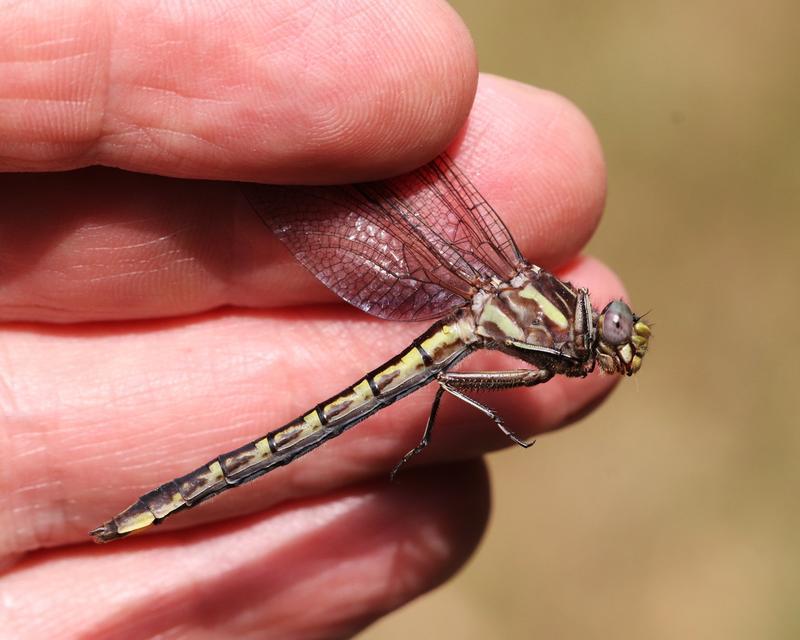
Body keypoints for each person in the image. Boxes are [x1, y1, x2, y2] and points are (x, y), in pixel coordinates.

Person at [0, 1, 623, 636]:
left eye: (615, 327)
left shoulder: (557, 327)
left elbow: (496, 379)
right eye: (616, 328)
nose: (613, 330)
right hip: (463, 328)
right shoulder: (557, 324)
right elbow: (481, 379)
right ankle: (166, 501)